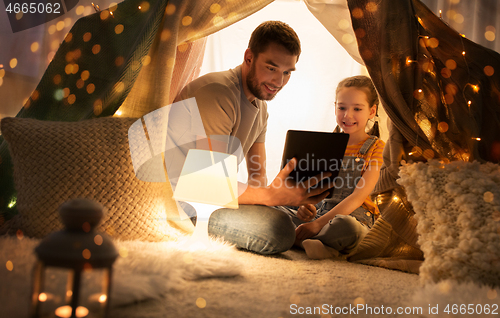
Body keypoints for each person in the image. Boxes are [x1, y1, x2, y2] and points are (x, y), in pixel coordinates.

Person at [173, 21, 332, 254]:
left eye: (287, 72)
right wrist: (272, 197)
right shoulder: (216, 93)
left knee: (303, 218)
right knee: (279, 230)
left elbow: (257, 176)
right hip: (185, 203)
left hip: (214, 196)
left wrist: (289, 199)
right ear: (249, 57)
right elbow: (204, 183)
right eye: (271, 67)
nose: (279, 82)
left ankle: (299, 227)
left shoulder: (260, 107)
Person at [275, 75, 385, 259]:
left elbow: (358, 197)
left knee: (347, 228)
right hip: (320, 215)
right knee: (273, 207)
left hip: (354, 219)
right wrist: (306, 207)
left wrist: (317, 225)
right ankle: (318, 245)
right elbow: (310, 189)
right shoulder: (324, 144)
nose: (347, 115)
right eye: (342, 108)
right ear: (335, 107)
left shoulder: (377, 148)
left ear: (372, 111)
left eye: (357, 109)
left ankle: (297, 240)